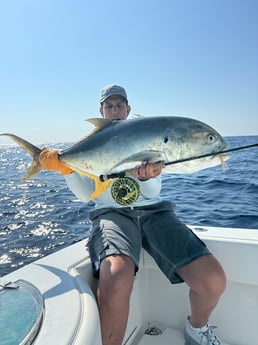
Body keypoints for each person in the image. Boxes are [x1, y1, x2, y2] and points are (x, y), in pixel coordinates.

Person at [39, 84, 227, 345]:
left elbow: (151, 194)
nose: (115, 110)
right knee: (116, 275)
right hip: (111, 214)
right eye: (109, 106)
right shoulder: (91, 144)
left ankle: (197, 330)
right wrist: (65, 168)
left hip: (154, 211)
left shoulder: (144, 134)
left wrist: (146, 177)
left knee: (213, 280)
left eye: (119, 105)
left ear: (128, 109)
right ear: (101, 111)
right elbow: (85, 196)